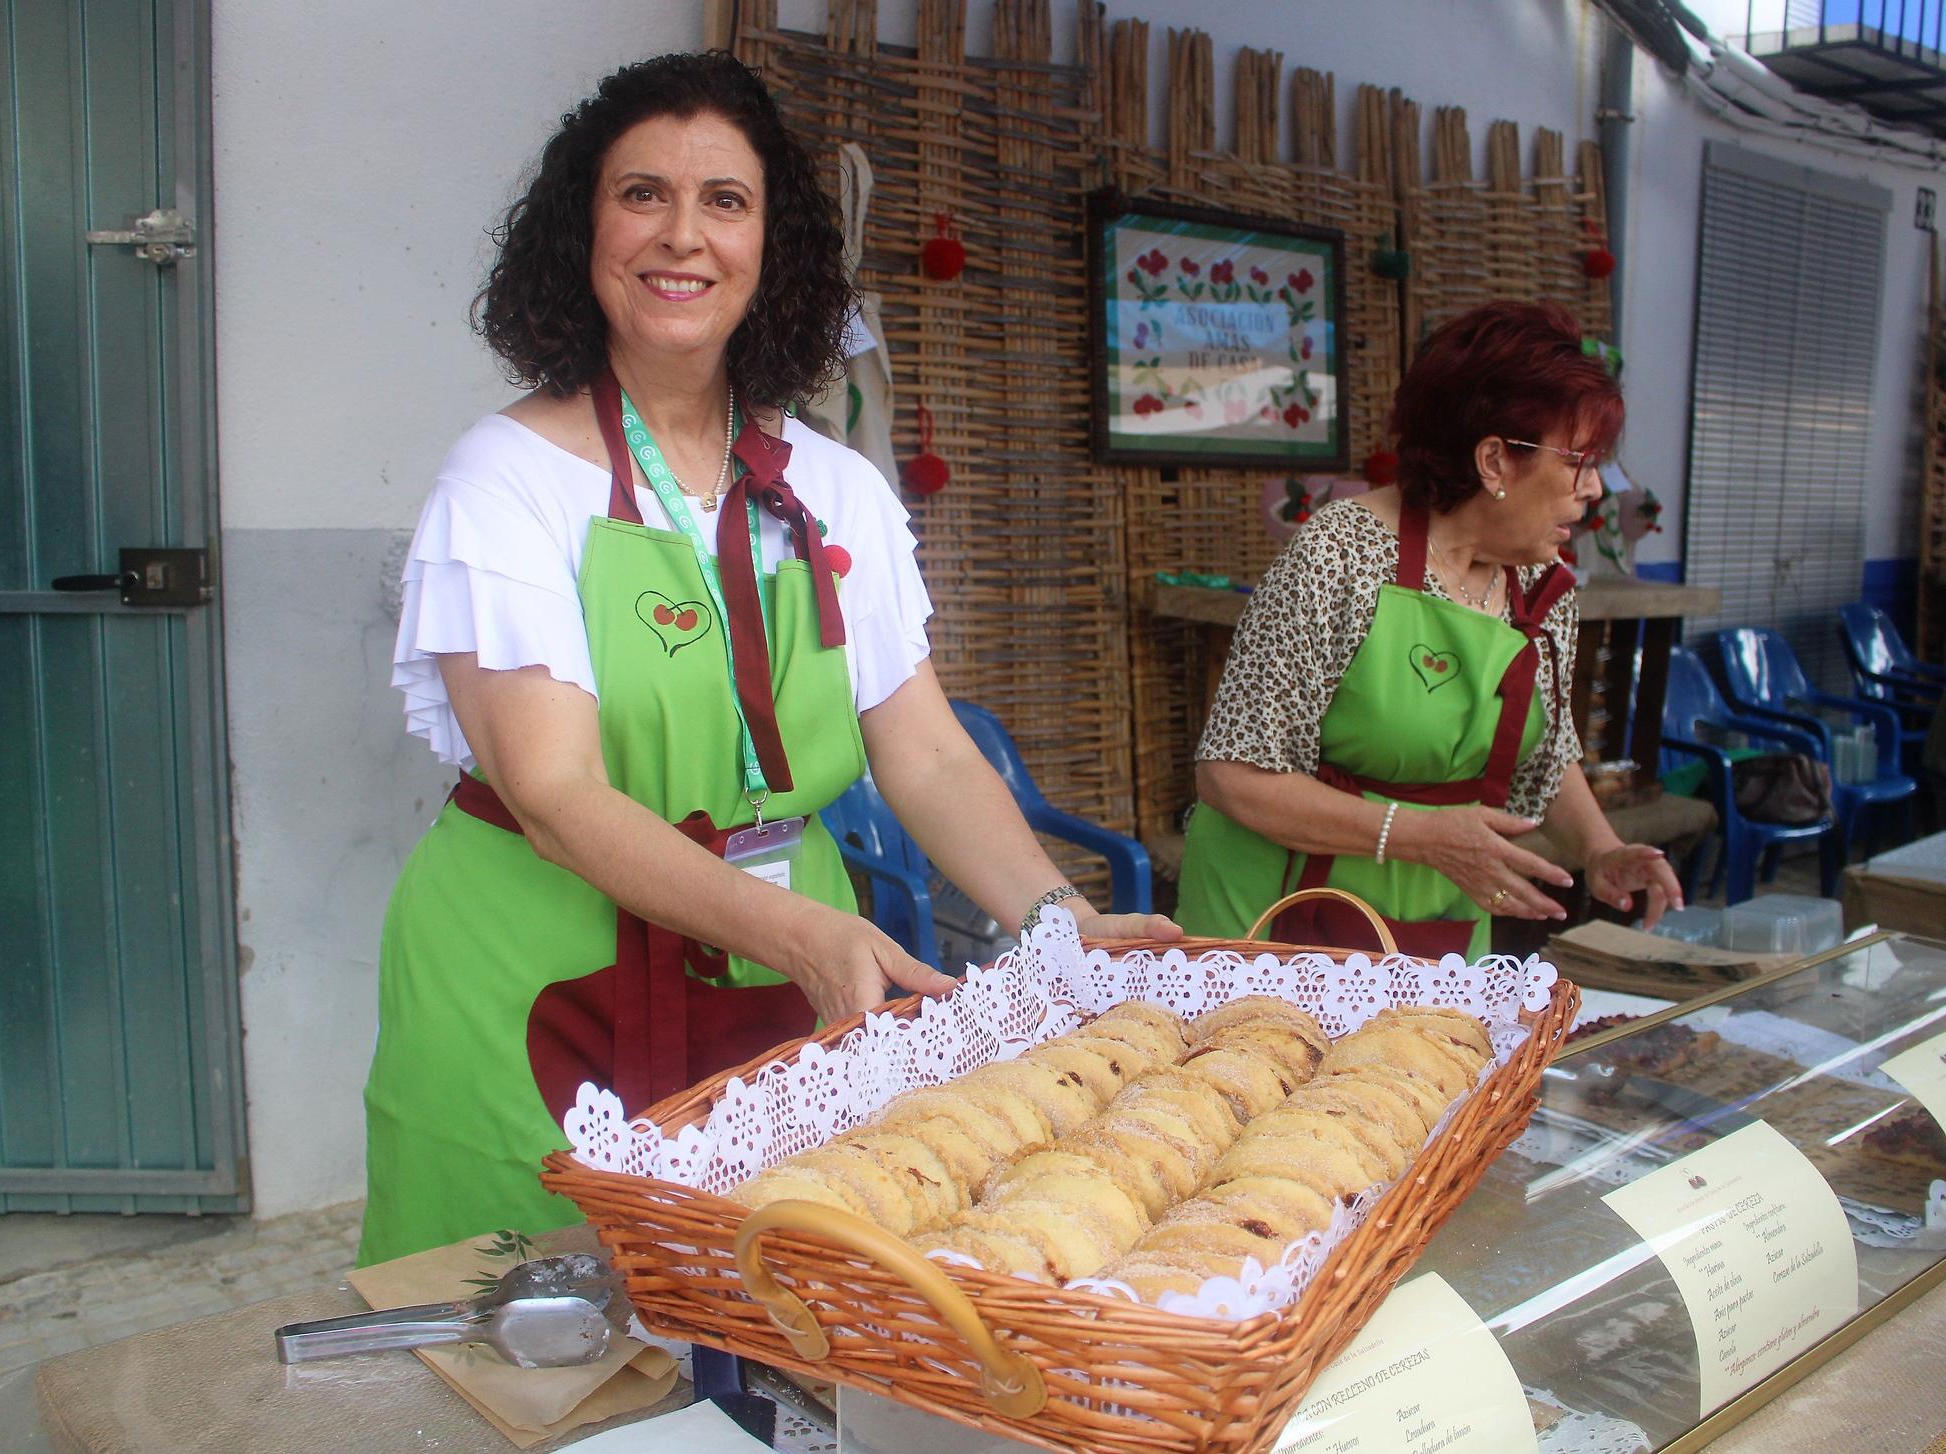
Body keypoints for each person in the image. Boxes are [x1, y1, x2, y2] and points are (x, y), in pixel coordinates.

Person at [358, 51, 1175, 1265]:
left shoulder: (836, 488)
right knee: (536, 1326)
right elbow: (554, 792)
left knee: (781, 1297)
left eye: (723, 201)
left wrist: (1054, 919)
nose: (680, 235)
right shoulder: (509, 478)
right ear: (582, 230)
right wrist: (795, 932)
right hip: (539, 979)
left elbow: (929, 753)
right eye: (641, 194)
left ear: (770, 244)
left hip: (786, 979)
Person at [1176, 301, 1682, 957]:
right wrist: (1424, 836)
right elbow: (1231, 777)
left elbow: (1543, 752)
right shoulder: (1341, 556)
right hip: (1273, 913)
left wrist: (1600, 848)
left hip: (1439, 910)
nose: (1594, 491)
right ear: (1495, 461)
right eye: (1577, 462)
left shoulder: (1540, 583)